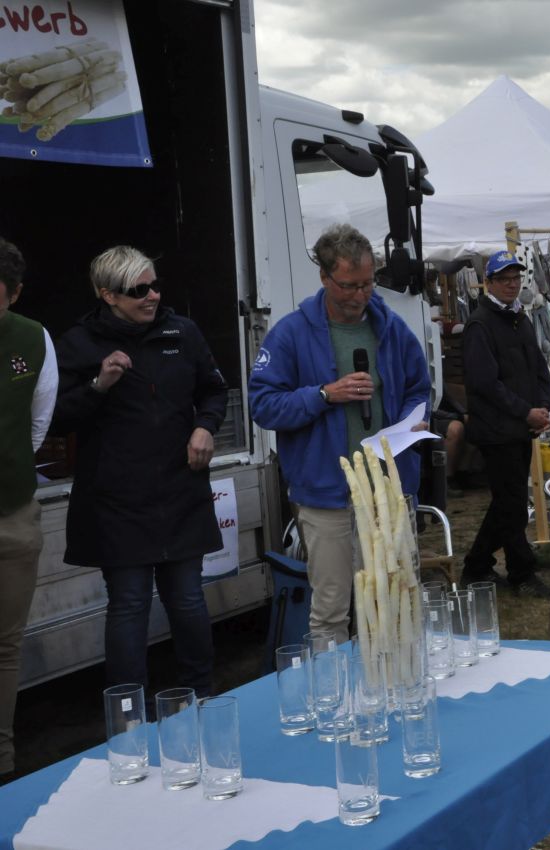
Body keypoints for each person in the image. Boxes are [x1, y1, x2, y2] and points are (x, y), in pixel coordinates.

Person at [52, 246, 227, 694]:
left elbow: (213, 390)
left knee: (187, 599)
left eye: (154, 285)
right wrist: (98, 385)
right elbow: (54, 421)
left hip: (180, 490)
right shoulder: (79, 343)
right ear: (108, 294)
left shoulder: (181, 331)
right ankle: (129, 716)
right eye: (139, 290)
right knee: (129, 604)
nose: (152, 296)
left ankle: (201, 699)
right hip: (116, 501)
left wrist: (205, 427)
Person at [248, 224, 431, 642]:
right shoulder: (291, 333)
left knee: (393, 599)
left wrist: (411, 422)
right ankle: (335, 682)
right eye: (349, 286)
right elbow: (263, 405)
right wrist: (323, 395)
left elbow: (419, 388)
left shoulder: (392, 328)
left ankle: (391, 676)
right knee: (332, 608)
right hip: (325, 494)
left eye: (367, 284)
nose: (360, 295)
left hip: (388, 490)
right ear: (324, 277)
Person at [458, 250, 550, 598]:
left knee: (508, 502)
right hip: (496, 430)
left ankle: (478, 565)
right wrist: (525, 412)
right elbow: (486, 384)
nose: (512, 284)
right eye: (504, 279)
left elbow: (539, 367)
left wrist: (542, 407)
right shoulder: (480, 324)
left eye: (516, 278)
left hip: (519, 426)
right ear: (489, 283)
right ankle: (519, 571)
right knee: (511, 504)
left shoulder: (519, 318)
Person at [0, 238, 57, 777]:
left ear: (13, 295)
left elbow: (38, 424)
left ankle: (2, 757)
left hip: (13, 513)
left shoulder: (33, 339)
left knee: (5, 644)